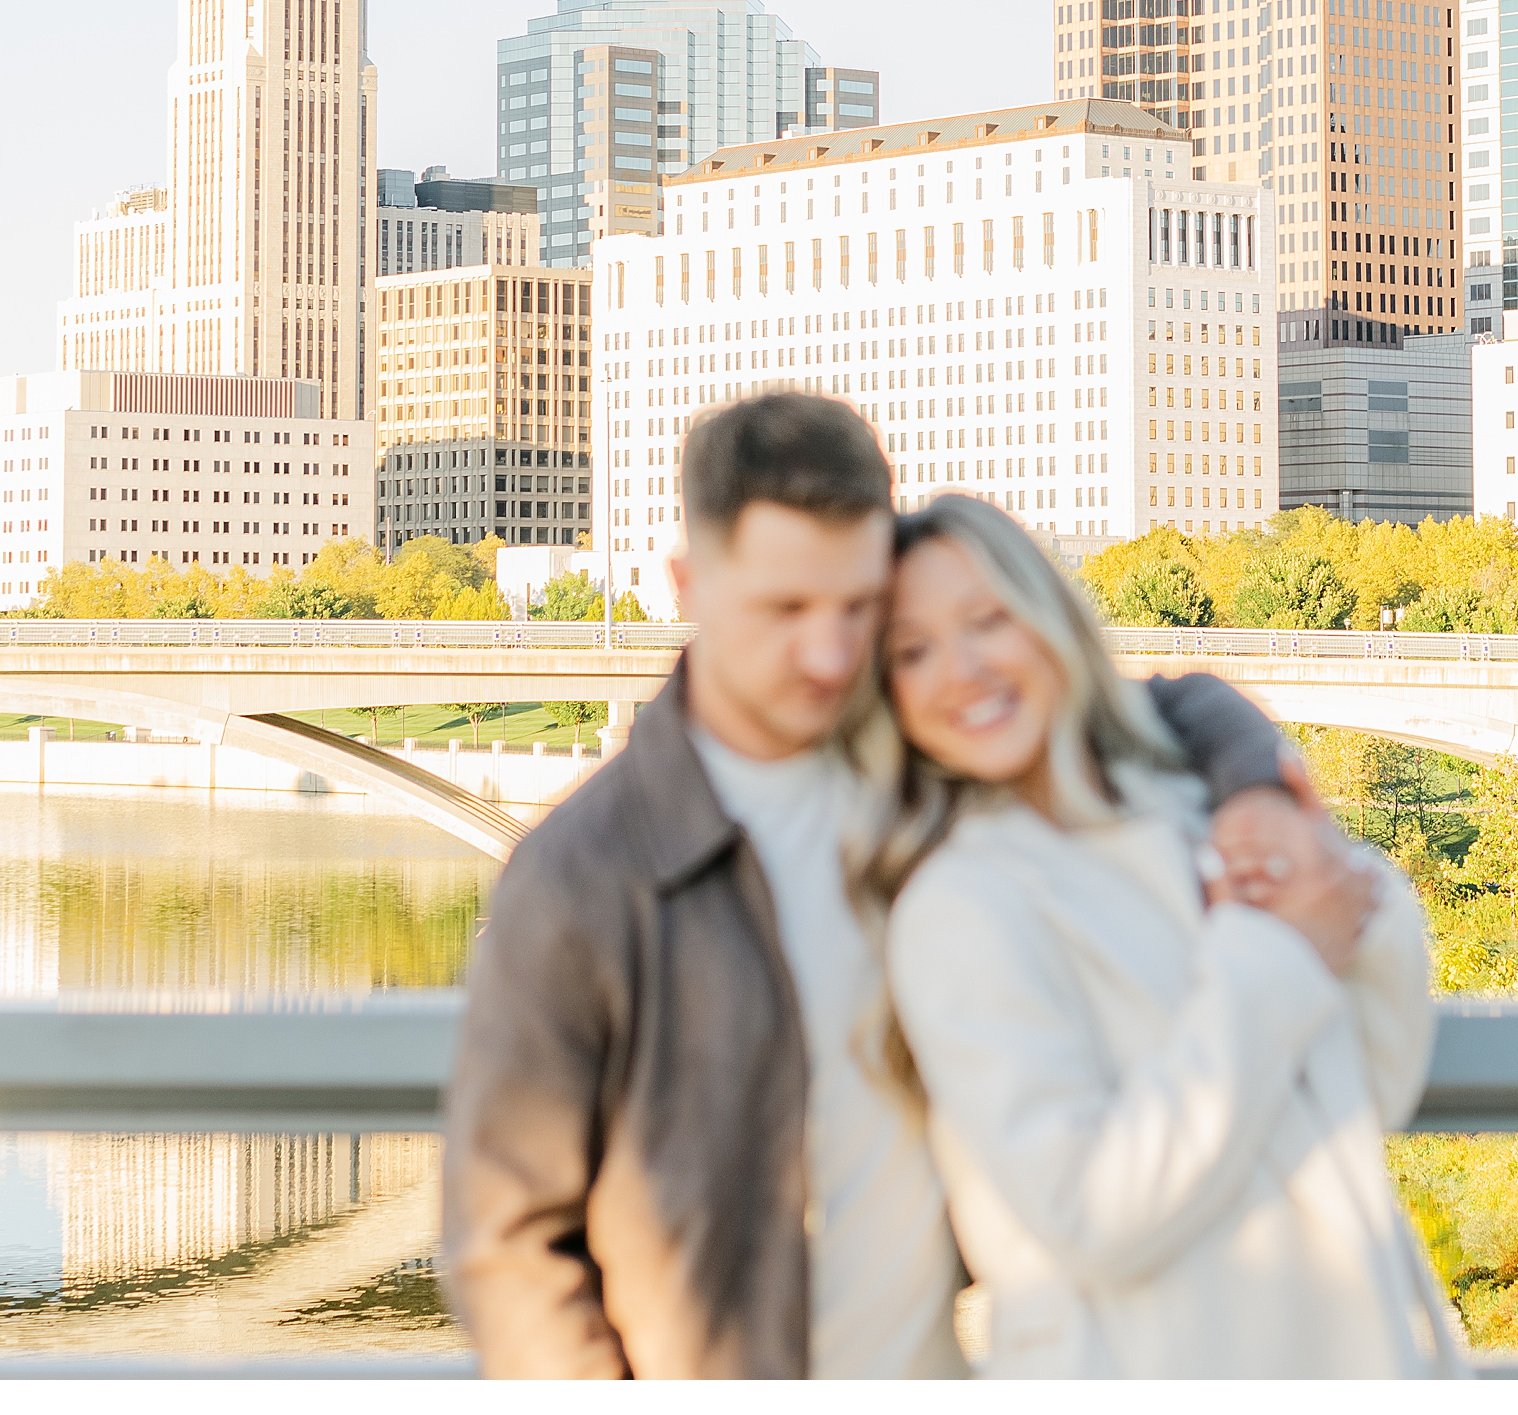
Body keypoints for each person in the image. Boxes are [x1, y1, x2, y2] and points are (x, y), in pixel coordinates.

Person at [439, 393, 1327, 1378]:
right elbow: (507, 1244)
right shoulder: (582, 875)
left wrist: (1254, 787)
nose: (828, 654)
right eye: (784, 609)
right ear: (686, 582)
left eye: (858, 606)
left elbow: (1157, 701)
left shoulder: (924, 752)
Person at [854, 494, 1469, 1378]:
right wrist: (1279, 955)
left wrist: (1350, 901)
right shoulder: (955, 904)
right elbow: (1083, 1208)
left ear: (1050, 618)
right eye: (912, 651)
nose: (959, 669)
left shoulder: (1187, 813)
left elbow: (1373, 1082)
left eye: (987, 620)